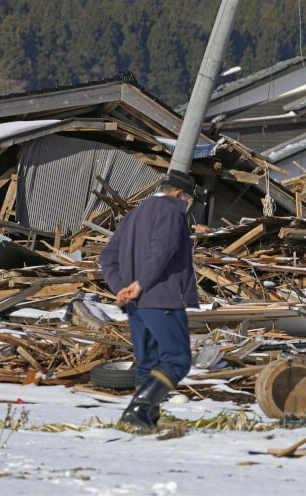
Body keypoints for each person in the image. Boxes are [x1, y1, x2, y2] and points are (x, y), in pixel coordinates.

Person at [99, 170, 199, 430]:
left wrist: (122, 287)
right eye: (189, 200)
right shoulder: (172, 210)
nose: (187, 206)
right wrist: (141, 283)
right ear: (179, 193)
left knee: (147, 365)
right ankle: (139, 410)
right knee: (177, 359)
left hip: (136, 305)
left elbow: (107, 257)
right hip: (162, 297)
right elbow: (162, 249)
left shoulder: (134, 214)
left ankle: (143, 419)